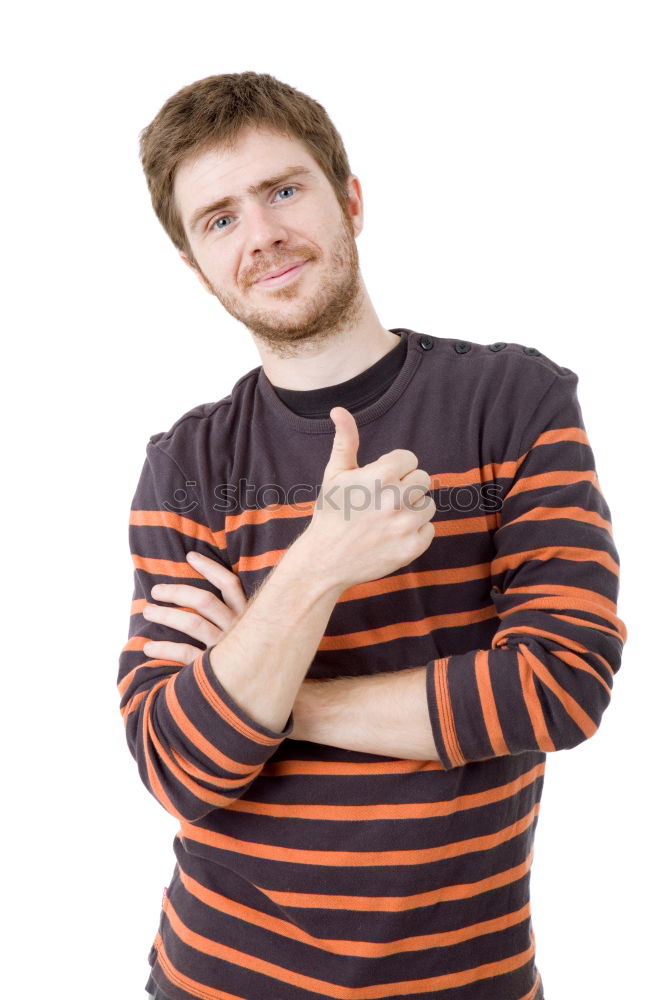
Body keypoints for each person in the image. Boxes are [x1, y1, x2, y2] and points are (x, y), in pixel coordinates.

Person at [118, 71, 626, 1000]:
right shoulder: (184, 466)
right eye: (219, 219)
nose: (262, 234)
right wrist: (318, 565)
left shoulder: (511, 404)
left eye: (282, 190)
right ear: (196, 266)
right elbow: (178, 762)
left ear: (350, 199)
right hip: (216, 979)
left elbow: (559, 685)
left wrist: (266, 686)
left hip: (467, 980)